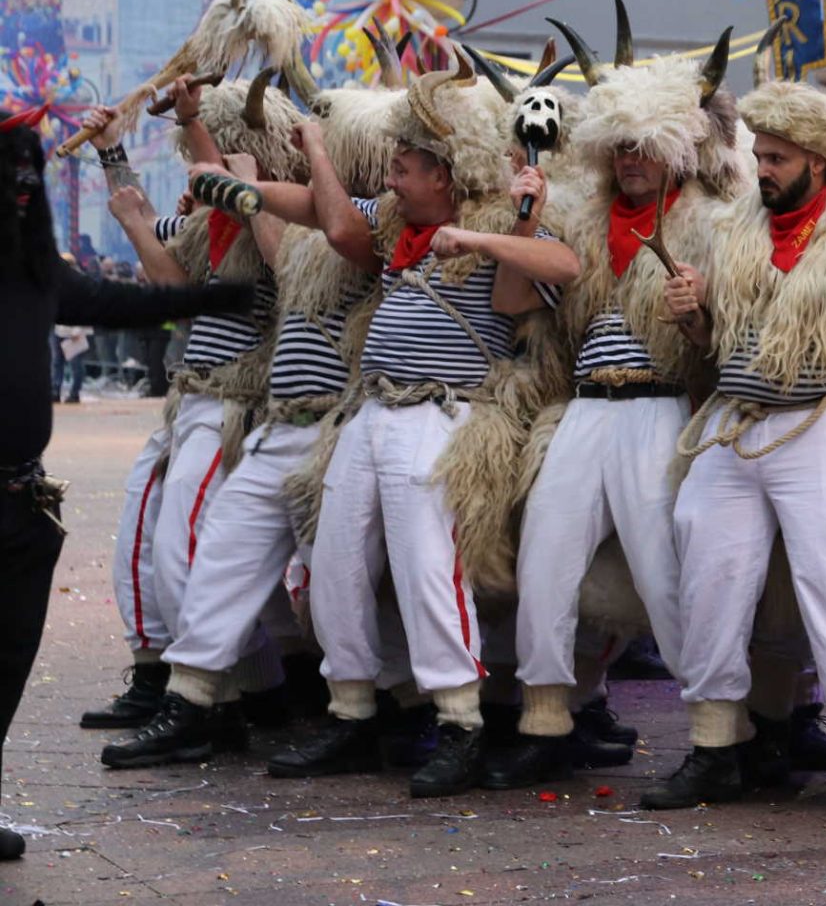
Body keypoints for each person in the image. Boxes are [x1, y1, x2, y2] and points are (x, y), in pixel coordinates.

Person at [262, 56, 578, 798]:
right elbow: (316, 208)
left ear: (444, 174)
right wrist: (239, 185)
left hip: (441, 415)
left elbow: (554, 267)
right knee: (336, 562)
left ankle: (461, 723)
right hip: (371, 410)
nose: (393, 180)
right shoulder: (396, 226)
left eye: (405, 168)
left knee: (427, 566)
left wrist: (494, 233)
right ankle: (351, 711)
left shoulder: (500, 222)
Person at [643, 62, 826, 824]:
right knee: (709, 575)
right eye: (758, 155)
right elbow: (712, 345)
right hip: (737, 422)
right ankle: (714, 747)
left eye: (777, 158)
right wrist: (692, 316)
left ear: (818, 162)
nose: (761, 168)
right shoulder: (733, 229)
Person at [482, 42, 740, 788]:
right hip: (586, 409)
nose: (630, 160)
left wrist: (697, 320)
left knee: (666, 575)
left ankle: (718, 734)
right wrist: (523, 222)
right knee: (544, 562)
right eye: (619, 147)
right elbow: (509, 303)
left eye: (643, 147)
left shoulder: (716, 224)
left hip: (662, 408)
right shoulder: (582, 222)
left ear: (675, 148)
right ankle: (543, 721)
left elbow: (723, 346)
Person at [0, 111, 254, 860]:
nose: (20, 191)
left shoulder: (37, 275)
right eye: (7, 176)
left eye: (27, 178)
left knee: (9, 660)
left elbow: (131, 304)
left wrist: (217, 299)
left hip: (21, 506)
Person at [78, 76, 299, 732]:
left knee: (187, 553)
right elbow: (166, 266)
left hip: (237, 401)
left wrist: (204, 135)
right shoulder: (211, 217)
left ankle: (230, 698)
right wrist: (114, 157)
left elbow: (279, 261)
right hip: (192, 394)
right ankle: (185, 686)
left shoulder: (285, 214)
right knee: (143, 545)